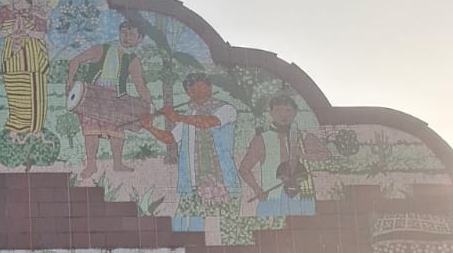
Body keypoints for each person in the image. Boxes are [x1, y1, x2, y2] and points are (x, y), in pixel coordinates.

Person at [66, 17, 171, 179]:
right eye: (123, 33)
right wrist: (69, 80)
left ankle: (118, 163)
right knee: (90, 131)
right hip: (92, 95)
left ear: (140, 38)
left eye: (131, 34)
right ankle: (91, 165)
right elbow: (76, 60)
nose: (126, 37)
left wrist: (149, 105)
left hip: (116, 97)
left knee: (117, 130)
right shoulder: (101, 49)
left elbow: (140, 86)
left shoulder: (133, 60)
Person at [158, 73, 241, 232]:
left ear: (209, 88)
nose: (198, 91)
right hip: (193, 183)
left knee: (229, 228)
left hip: (223, 181)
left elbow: (208, 122)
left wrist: (177, 116)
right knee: (185, 226)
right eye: (192, 89)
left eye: (202, 87)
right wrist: (148, 126)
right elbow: (170, 138)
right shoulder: (191, 115)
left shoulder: (226, 109)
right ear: (188, 93)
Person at [238, 92, 328, 217]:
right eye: (278, 110)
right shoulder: (262, 139)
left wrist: (303, 155)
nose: (283, 115)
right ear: (271, 112)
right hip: (272, 199)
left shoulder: (304, 136)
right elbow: (244, 169)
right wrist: (257, 189)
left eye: (288, 110)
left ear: (295, 113)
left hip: (302, 198)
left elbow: (324, 155)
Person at [0, 0, 50, 138]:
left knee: (34, 93)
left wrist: (26, 31)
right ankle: (16, 128)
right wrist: (10, 30)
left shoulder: (36, 10)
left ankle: (35, 130)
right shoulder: (3, 11)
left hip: (33, 56)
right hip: (12, 57)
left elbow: (40, 34)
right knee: (15, 93)